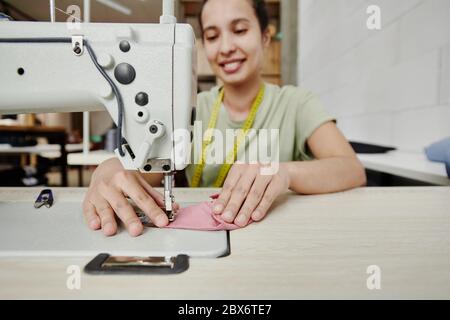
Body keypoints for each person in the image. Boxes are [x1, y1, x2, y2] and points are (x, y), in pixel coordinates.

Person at [82, 0, 366, 237]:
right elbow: (143, 169)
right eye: (213, 36)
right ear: (204, 47)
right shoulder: (188, 111)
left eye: (240, 30)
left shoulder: (296, 103)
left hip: (277, 240)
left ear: (265, 36)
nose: (226, 47)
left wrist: (285, 172)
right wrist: (109, 170)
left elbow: (352, 169)